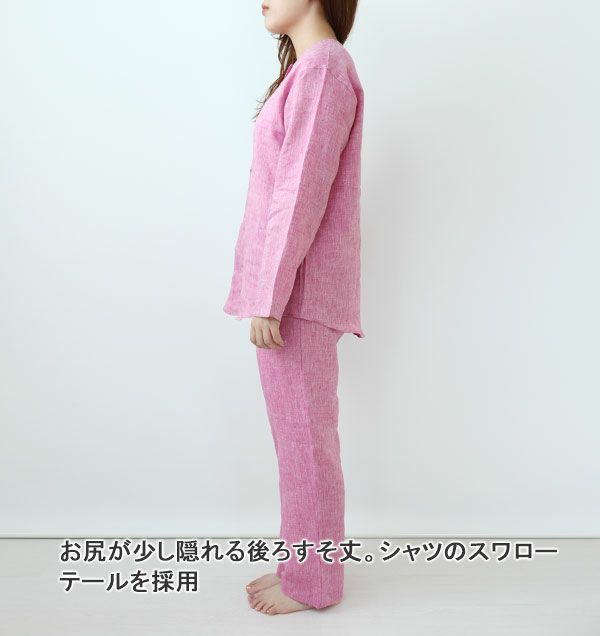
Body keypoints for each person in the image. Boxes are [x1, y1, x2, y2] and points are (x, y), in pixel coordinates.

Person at [223, 0, 364, 615]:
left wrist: (269, 295)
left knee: (306, 443)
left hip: (296, 295)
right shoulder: (309, 69)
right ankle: (302, 566)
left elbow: (300, 192)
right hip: (290, 290)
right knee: (298, 442)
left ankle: (315, 583)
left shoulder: (325, 67)